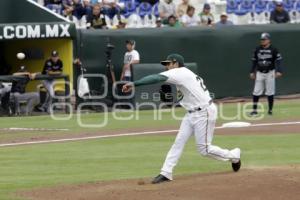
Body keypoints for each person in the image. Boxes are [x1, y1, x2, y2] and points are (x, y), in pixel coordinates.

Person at [122, 54, 241, 184]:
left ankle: (234, 155)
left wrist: (134, 83)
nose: (166, 66)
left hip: (204, 112)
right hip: (191, 113)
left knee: (204, 150)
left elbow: (155, 78)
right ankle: (166, 172)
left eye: (168, 64)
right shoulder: (183, 75)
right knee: (179, 142)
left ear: (176, 63)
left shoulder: (179, 72)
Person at [250, 33, 283, 116]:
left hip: (270, 72)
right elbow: (254, 61)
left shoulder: (274, 49)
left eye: (264, 39)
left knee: (270, 92)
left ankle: (270, 110)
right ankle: (254, 110)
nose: (262, 41)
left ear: (269, 40)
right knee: (256, 91)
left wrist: (279, 71)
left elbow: (279, 60)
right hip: (260, 72)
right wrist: (251, 71)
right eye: (262, 39)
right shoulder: (257, 49)